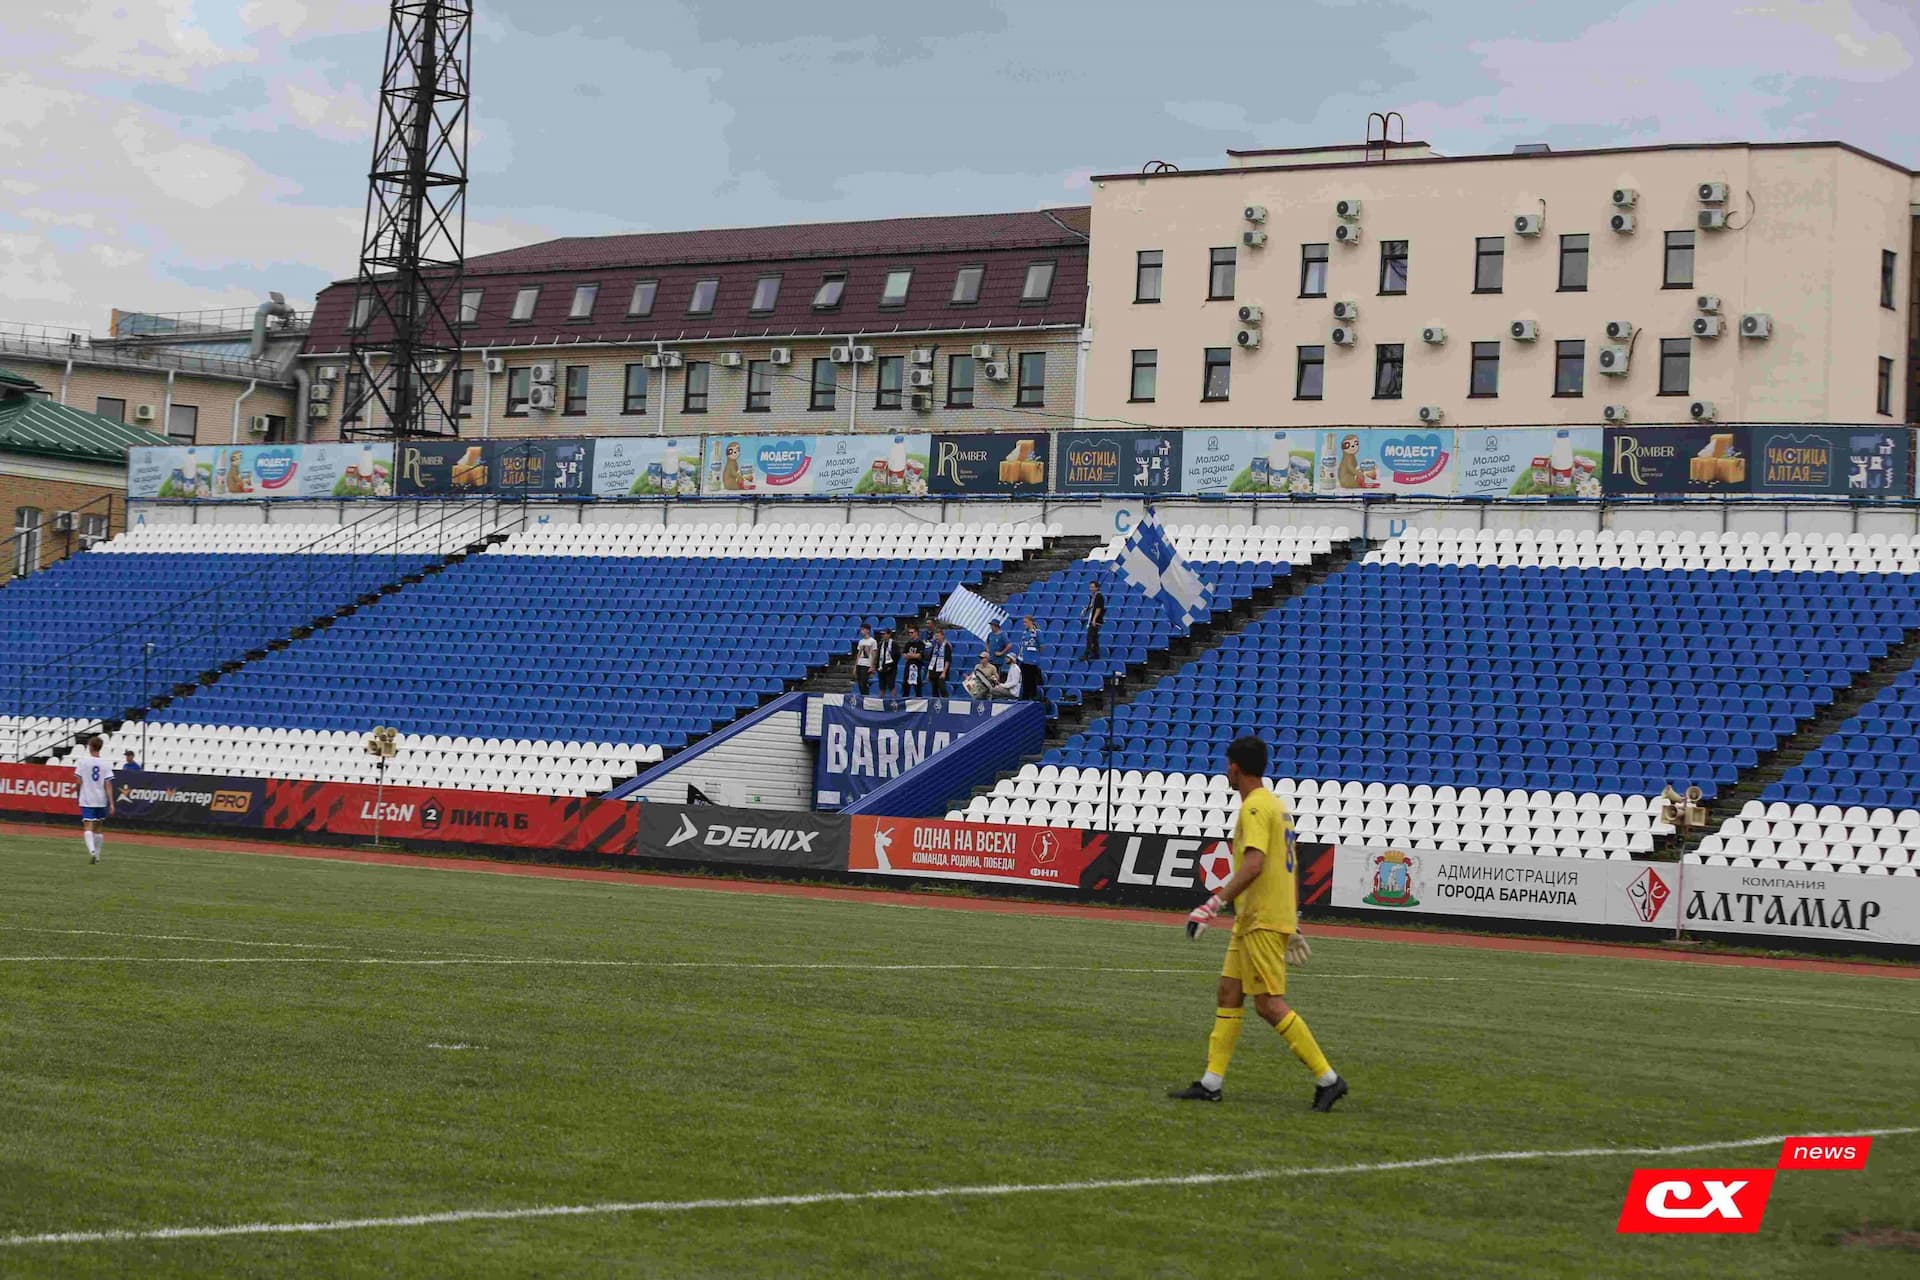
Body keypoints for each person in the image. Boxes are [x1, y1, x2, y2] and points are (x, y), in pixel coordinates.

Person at [1170, 734, 1347, 1112]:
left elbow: (1254, 865)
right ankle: (1211, 1083)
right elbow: (1289, 867)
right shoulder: (1276, 806)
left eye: (1227, 765)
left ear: (1235, 767)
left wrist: (1212, 905)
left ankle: (1328, 1079)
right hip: (1258, 917)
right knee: (1229, 992)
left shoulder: (1253, 808)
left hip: (1261, 918)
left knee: (1268, 1004)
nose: (1226, 771)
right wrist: (1292, 920)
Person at [72, 736, 116, 865]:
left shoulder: (83, 762)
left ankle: (91, 851)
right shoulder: (105, 763)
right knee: (99, 828)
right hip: (101, 799)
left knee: (88, 826)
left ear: (90, 747)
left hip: (87, 798)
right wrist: (111, 803)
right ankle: (97, 856)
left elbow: (78, 781)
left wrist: (77, 791)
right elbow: (108, 784)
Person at [1016, 616, 1044, 703]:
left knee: (1032, 679)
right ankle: (1026, 695)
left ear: (1031, 622)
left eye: (1026, 622)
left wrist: (1036, 655)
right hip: (1025, 659)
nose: (1024, 624)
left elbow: (1042, 646)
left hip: (1033, 659)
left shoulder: (1037, 632)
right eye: (1024, 622)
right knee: (1025, 678)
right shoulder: (1025, 633)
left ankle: (1034, 695)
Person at [900, 625, 928, 697]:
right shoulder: (908, 643)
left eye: (912, 632)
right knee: (905, 683)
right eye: (909, 633)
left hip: (916, 665)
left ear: (916, 633)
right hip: (908, 665)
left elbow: (919, 656)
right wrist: (912, 655)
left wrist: (910, 655)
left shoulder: (921, 644)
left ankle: (919, 698)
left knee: (917, 684)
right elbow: (904, 655)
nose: (910, 634)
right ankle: (905, 697)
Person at [1082, 580, 1106, 662]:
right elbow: (1092, 605)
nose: (1091, 589)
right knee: (1095, 638)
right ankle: (1096, 654)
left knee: (1090, 638)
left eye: (1092, 587)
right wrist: (1085, 610)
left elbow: (1098, 608)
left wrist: (1094, 619)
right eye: (1090, 587)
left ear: (1097, 587)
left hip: (1096, 620)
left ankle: (1086, 654)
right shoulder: (1094, 596)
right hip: (1093, 619)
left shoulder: (1099, 596)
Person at [926, 626, 954, 698]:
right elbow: (931, 660)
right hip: (933, 671)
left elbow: (948, 660)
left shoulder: (946, 645)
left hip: (941, 671)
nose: (937, 638)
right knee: (934, 690)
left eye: (938, 636)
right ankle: (936, 703)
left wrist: (944, 672)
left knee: (942, 688)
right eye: (936, 636)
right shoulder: (935, 646)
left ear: (942, 636)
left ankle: (946, 701)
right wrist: (928, 672)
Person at [852, 623, 877, 695]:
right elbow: (859, 654)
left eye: (863, 629)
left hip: (867, 664)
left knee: (864, 682)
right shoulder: (861, 641)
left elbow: (874, 654)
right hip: (860, 663)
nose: (861, 631)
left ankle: (866, 696)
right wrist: (855, 666)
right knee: (859, 683)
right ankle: (863, 696)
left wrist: (872, 665)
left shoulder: (873, 641)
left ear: (868, 630)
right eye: (861, 630)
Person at [875, 628, 898, 696]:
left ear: (889, 634)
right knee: (881, 686)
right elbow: (878, 655)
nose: (882, 635)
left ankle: (894, 699)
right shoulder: (881, 644)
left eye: (884, 634)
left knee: (891, 685)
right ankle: (881, 699)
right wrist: (877, 666)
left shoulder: (894, 644)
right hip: (881, 667)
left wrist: (891, 666)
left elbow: (897, 656)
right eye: (882, 634)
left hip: (891, 668)